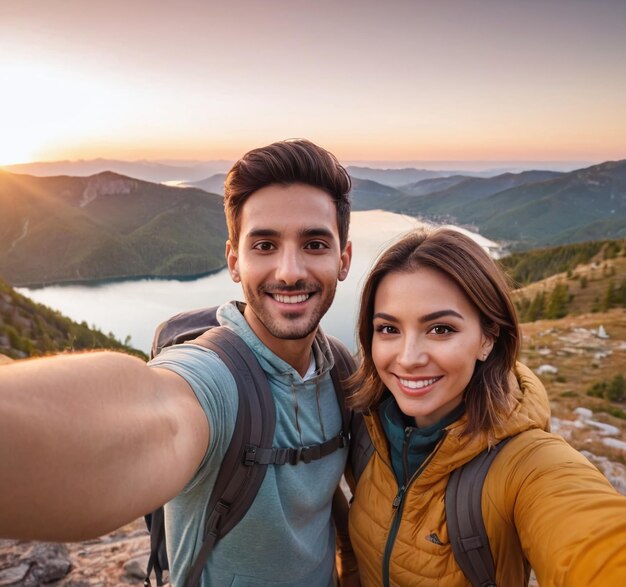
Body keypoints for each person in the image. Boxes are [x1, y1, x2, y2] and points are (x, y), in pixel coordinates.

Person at [0, 139, 357, 586]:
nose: (289, 271)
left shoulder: (341, 371)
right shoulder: (216, 376)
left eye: (315, 244)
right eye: (264, 245)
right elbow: (157, 415)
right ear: (233, 261)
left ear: (343, 259)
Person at [345, 228, 626, 586]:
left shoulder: (525, 463)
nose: (409, 357)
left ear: (487, 339)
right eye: (388, 328)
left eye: (441, 329)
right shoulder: (368, 426)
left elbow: (593, 538)